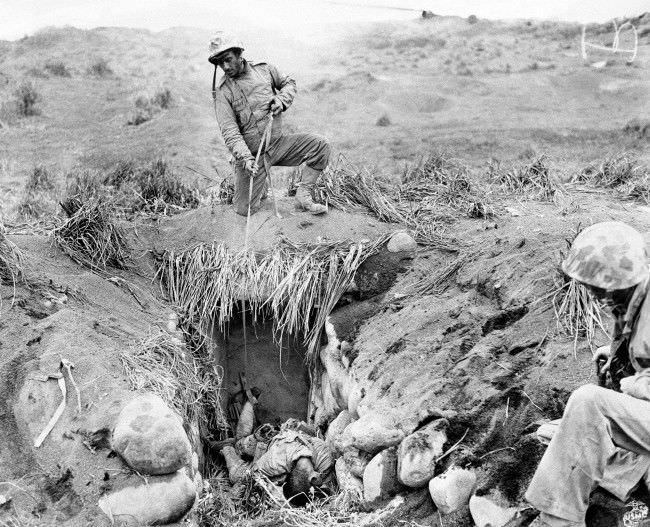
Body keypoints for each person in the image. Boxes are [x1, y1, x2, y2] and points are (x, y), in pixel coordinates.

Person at [524, 221, 650, 526]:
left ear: (616, 282)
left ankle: (558, 520)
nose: (592, 295)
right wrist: (618, 354)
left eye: (597, 287)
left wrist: (638, 385)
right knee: (557, 434)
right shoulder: (631, 302)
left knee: (588, 403)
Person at [208, 32, 329, 216]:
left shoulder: (265, 71)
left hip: (278, 145)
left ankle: (303, 196)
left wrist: (281, 100)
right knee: (244, 210)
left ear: (239, 54)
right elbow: (230, 131)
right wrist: (245, 158)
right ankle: (257, 182)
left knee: (321, 146)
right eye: (220, 63)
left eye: (228, 59)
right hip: (253, 158)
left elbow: (289, 82)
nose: (225, 66)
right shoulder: (224, 93)